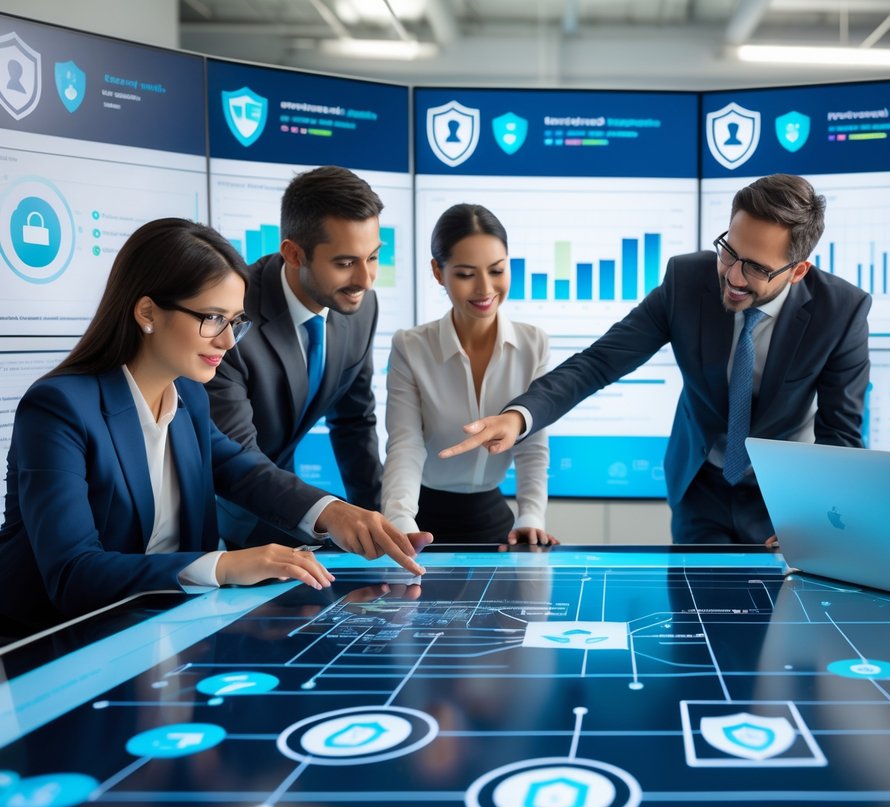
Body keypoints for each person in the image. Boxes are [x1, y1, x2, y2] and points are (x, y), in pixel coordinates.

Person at [0, 219, 429, 633]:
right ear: (148, 311)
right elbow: (74, 573)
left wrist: (334, 513)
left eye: (235, 321)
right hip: (60, 641)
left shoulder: (189, 396)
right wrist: (227, 565)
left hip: (167, 626)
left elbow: (244, 473)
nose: (227, 341)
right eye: (212, 318)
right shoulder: (58, 408)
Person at [439, 174, 872, 544]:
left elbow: (841, 435)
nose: (733, 276)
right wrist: (519, 416)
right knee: (698, 619)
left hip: (789, 499)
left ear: (797, 270)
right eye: (729, 252)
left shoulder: (841, 312)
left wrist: (817, 519)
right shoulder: (687, 281)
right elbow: (599, 362)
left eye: (756, 268)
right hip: (701, 486)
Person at [207, 166, 387, 549]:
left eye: (372, 257)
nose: (366, 280)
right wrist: (329, 515)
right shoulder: (231, 318)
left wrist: (381, 524)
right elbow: (235, 459)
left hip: (289, 508)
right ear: (293, 253)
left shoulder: (361, 306)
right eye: (344, 263)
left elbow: (354, 422)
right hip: (223, 516)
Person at [381, 204, 556, 545]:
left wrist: (531, 515)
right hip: (421, 517)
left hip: (494, 519)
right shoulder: (411, 346)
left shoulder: (534, 344)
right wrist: (400, 518)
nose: (485, 288)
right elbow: (405, 443)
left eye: (497, 270)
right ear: (437, 271)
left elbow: (531, 444)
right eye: (465, 274)